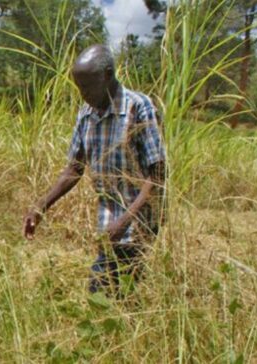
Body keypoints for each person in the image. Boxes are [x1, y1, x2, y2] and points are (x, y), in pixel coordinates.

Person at [22, 45, 166, 295]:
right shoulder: (86, 114)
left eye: (88, 86)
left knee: (101, 289)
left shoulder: (138, 107)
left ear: (108, 75)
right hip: (109, 219)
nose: (83, 94)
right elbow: (74, 169)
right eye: (79, 87)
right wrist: (40, 206)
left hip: (139, 217)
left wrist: (124, 221)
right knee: (120, 291)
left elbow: (158, 176)